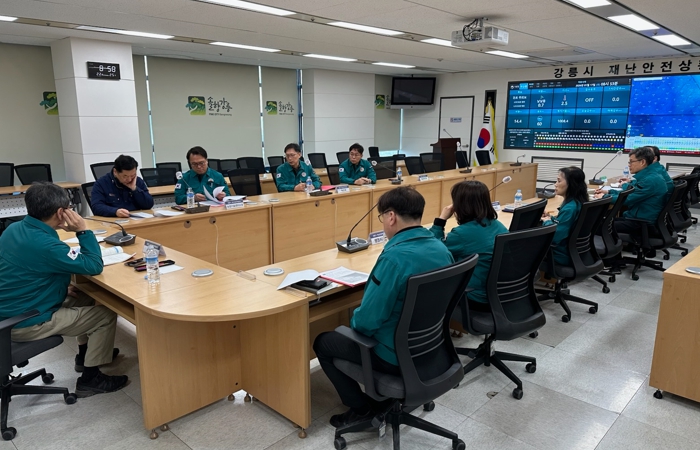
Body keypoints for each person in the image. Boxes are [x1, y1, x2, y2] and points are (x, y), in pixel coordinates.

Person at [313, 187, 453, 428]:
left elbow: (366, 322)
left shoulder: (393, 259)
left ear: (391, 217)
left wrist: (351, 323)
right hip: (431, 347)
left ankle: (361, 410)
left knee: (323, 342)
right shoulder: (442, 250)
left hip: (392, 355)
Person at [0, 182, 128, 397]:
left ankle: (84, 355)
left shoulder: (13, 229)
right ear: (61, 212)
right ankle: (91, 379)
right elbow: (93, 266)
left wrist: (56, 287)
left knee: (84, 296)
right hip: (26, 321)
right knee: (105, 315)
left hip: (9, 311)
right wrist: (83, 231)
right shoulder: (46, 245)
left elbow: (26, 271)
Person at [430, 180, 508, 309]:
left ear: (459, 205)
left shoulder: (461, 234)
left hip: (476, 297)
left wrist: (440, 221)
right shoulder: (498, 225)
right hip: (502, 294)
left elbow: (433, 250)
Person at [595, 146, 668, 234]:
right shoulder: (650, 176)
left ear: (642, 162)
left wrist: (604, 197)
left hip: (642, 224)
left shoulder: (650, 180)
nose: (629, 165)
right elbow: (631, 193)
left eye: (631, 162)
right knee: (600, 222)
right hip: (639, 219)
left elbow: (627, 199)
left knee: (594, 226)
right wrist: (610, 192)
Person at [542, 167, 588, 266]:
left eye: (559, 181)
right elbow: (564, 224)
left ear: (571, 184)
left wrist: (547, 222)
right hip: (577, 253)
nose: (555, 184)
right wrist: (551, 218)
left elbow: (554, 237)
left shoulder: (569, 208)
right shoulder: (577, 202)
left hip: (560, 254)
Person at [90, 154, 154, 217]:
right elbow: (96, 207)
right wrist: (115, 211)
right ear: (115, 172)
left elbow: (149, 205)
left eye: (132, 175)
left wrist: (135, 189)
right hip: (114, 220)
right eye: (125, 176)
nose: (129, 179)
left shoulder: (138, 181)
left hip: (136, 220)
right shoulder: (102, 183)